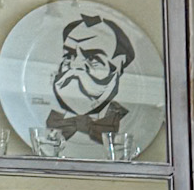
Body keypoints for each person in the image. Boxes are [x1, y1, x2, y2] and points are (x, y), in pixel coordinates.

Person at [45, 13, 136, 148]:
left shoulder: (134, 121)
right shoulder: (42, 117)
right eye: (69, 55)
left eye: (92, 58)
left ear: (118, 65)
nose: (75, 65)